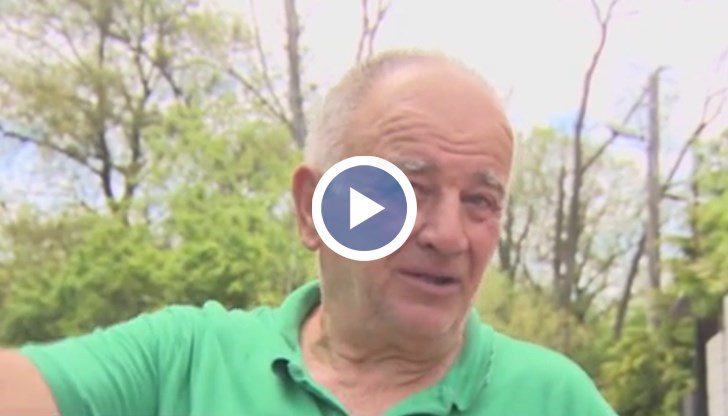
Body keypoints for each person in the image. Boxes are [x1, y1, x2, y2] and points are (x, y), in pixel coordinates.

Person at [0, 49, 617, 416]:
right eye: (408, 188)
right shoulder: (182, 365)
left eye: (480, 201)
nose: (449, 235)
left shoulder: (554, 399)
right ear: (312, 208)